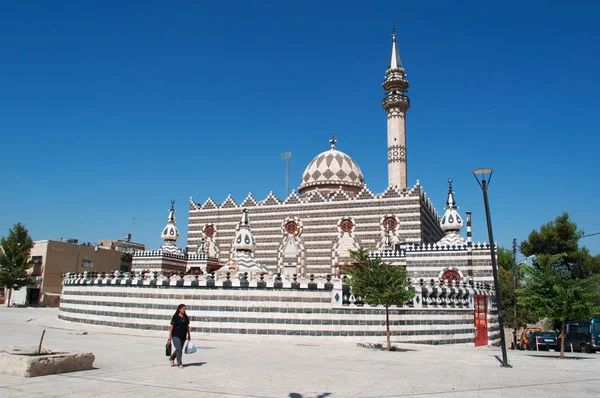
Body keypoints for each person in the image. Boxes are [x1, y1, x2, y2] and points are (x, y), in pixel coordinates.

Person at [168, 303, 191, 368]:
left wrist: (189, 335)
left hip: (183, 335)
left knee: (179, 349)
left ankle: (171, 358)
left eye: (185, 309)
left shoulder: (186, 317)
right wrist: (169, 335)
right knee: (179, 349)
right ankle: (179, 363)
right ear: (179, 309)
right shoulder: (175, 317)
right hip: (176, 335)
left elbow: (187, 326)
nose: (184, 310)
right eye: (183, 309)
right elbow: (172, 326)